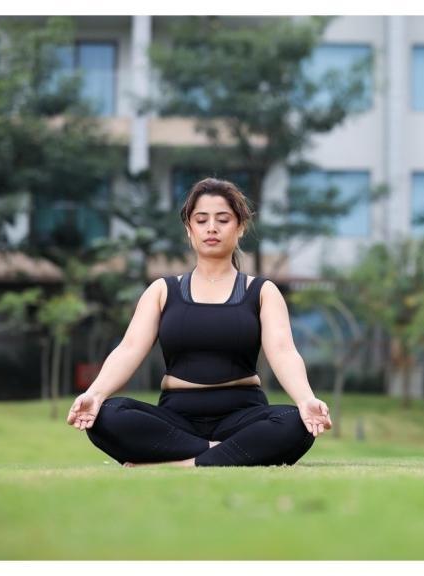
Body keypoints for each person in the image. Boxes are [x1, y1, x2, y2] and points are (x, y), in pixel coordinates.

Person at [66, 177, 332, 467]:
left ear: (240, 227)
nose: (212, 228)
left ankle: (180, 462)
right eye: (201, 220)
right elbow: (129, 349)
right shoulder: (162, 290)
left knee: (295, 423)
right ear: (189, 230)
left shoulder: (262, 291)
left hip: (242, 415)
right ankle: (226, 454)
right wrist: (95, 393)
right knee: (105, 416)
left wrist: (306, 400)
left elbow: (283, 352)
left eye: (223, 219)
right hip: (176, 420)